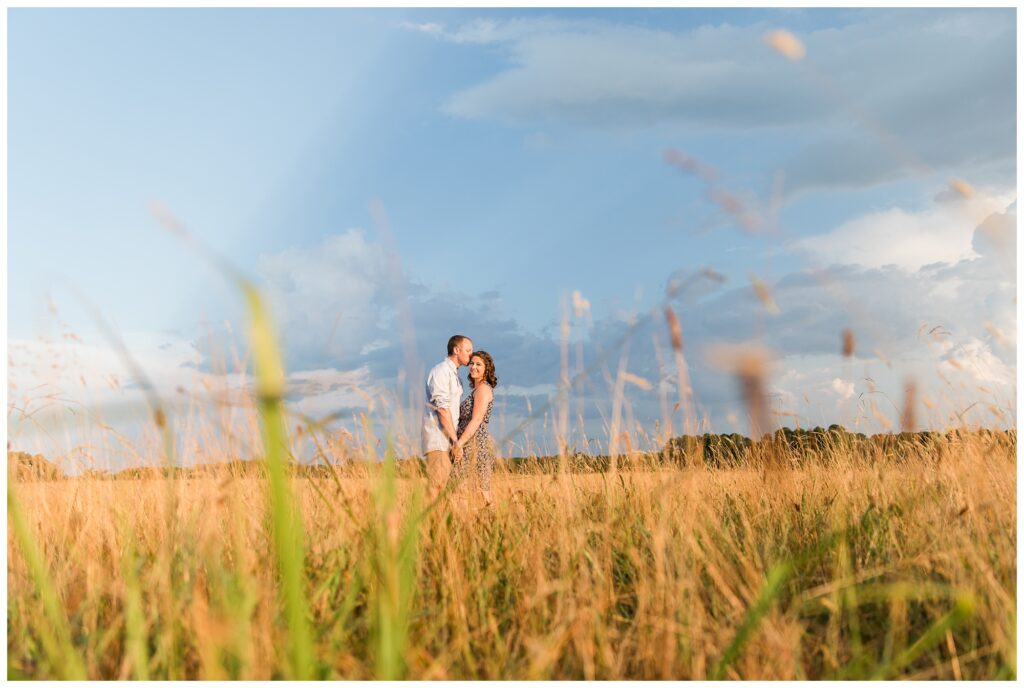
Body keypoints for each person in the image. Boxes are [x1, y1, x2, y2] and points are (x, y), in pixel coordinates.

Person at [422, 334, 473, 498]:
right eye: (468, 350)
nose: (471, 355)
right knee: (435, 490)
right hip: (439, 441)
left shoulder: (455, 376)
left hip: (448, 443)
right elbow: (442, 409)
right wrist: (455, 441)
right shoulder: (441, 371)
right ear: (456, 350)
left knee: (446, 493)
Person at [450, 350, 498, 507]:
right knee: (462, 488)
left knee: (479, 490)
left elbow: (477, 419)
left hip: (474, 442)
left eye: (478, 364)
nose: (473, 367)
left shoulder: (483, 389)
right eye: (471, 363)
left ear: (487, 368)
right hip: (468, 442)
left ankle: (491, 523)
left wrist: (460, 443)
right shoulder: (476, 390)